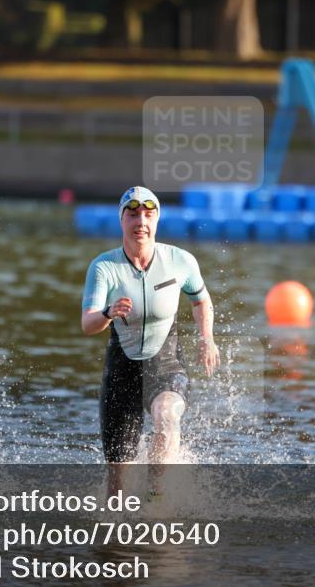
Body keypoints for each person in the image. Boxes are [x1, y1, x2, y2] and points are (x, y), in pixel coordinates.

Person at [81, 186, 219, 494]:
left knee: (166, 415)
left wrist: (206, 338)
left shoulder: (180, 261)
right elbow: (88, 324)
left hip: (165, 362)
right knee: (118, 483)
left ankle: (158, 500)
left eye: (148, 214)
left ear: (156, 220)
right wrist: (107, 312)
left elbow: (202, 301)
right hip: (122, 371)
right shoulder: (104, 267)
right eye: (132, 215)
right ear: (122, 221)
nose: (140, 221)